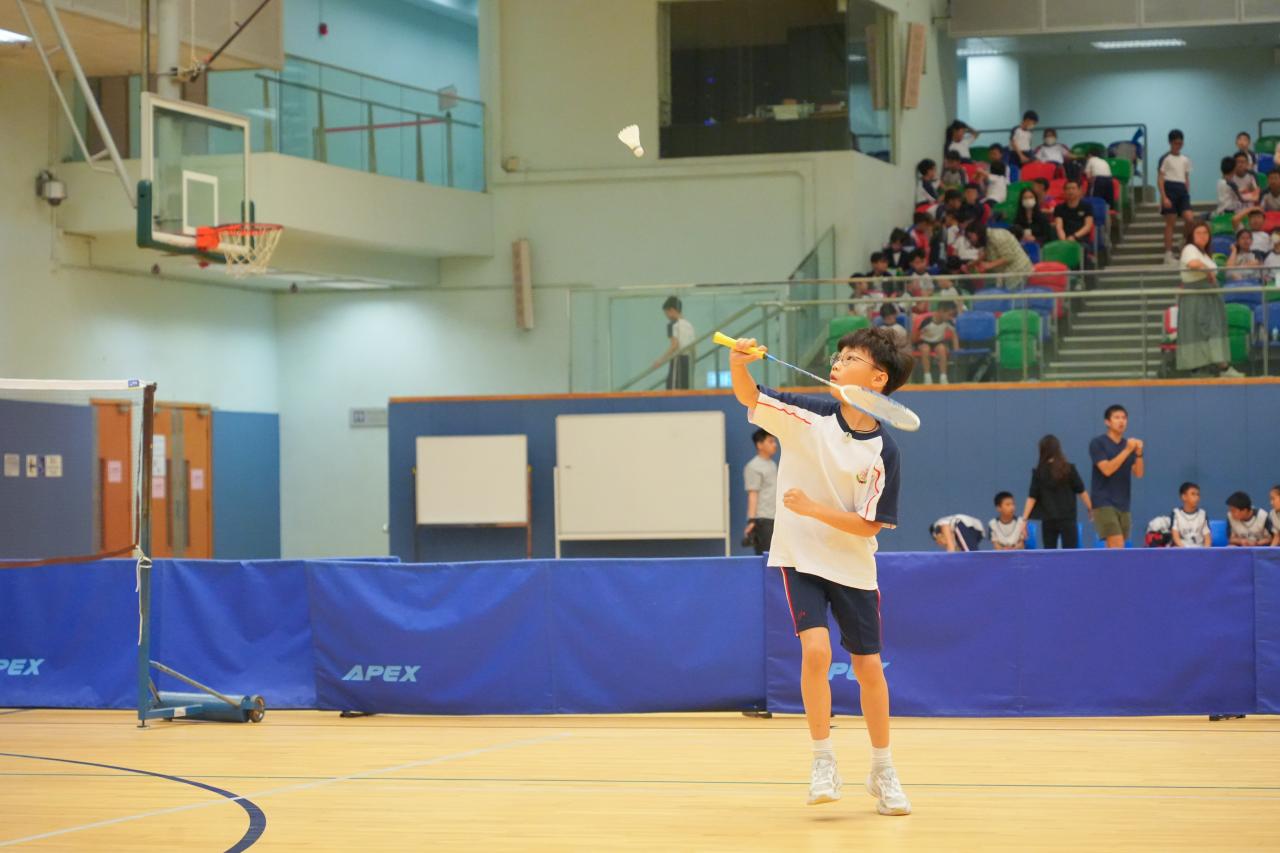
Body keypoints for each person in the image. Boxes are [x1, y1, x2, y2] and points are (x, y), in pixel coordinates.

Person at [725, 326, 914, 814]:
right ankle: (823, 760)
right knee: (815, 652)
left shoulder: (884, 451)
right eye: (838, 355)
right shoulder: (808, 415)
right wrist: (739, 364)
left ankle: (882, 768)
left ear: (878, 377)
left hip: (852, 564)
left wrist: (812, 509)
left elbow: (870, 523)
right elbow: (751, 397)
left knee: (868, 668)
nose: (837, 362)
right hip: (801, 557)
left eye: (850, 358)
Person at [1179, 221, 1241, 377]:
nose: (1203, 236)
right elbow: (1193, 263)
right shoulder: (1189, 248)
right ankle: (1201, 370)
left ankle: (1222, 367)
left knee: (1214, 331)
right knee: (1198, 332)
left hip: (1210, 297)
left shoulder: (1204, 253)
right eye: (1199, 233)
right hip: (1197, 298)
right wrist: (1208, 272)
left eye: (1205, 233)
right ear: (1192, 236)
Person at [1021, 434, 1091, 549]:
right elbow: (1081, 491)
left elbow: (1032, 497)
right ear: (1058, 449)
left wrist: (1024, 519)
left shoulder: (1039, 472)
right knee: (1070, 553)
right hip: (1068, 518)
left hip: (1048, 519)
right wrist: (1090, 508)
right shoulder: (1069, 469)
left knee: (1050, 553)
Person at [1089, 404, 1144, 548]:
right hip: (1104, 501)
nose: (1121, 421)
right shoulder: (1098, 443)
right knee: (1117, 544)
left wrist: (1139, 454)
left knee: (1117, 548)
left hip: (1123, 502)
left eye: (1124, 418)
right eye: (1117, 417)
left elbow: (1138, 473)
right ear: (1107, 422)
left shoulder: (1128, 445)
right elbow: (1107, 470)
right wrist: (1127, 451)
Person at [1158, 129, 1194, 266]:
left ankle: (1182, 240)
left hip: (1182, 191)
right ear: (1170, 143)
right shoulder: (1165, 158)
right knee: (1170, 223)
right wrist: (1164, 197)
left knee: (1190, 219)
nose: (1178, 146)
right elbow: (1160, 178)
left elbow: (1186, 177)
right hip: (1170, 189)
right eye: (1175, 143)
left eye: (1180, 143)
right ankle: (1168, 254)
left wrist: (1187, 193)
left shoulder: (1185, 159)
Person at [966, 221, 1034, 288]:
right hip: (1009, 272)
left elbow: (1009, 256)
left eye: (970, 237)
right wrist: (972, 264)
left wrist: (989, 265)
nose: (970, 241)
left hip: (1018, 269)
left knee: (1011, 293)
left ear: (977, 232)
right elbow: (987, 254)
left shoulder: (997, 236)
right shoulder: (987, 239)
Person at [743, 429, 779, 556]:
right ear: (759, 444)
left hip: (776, 518)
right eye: (770, 441)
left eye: (774, 441)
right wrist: (752, 521)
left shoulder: (772, 464)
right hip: (764, 521)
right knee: (766, 558)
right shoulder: (753, 466)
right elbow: (753, 494)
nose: (775, 444)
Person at [652, 296, 695, 390]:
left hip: (677, 360)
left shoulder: (672, 324)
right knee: (684, 389)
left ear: (671, 310)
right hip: (688, 360)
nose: (667, 316)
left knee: (672, 388)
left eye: (666, 313)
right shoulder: (689, 325)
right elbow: (693, 347)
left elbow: (675, 345)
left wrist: (660, 360)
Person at [914, 301, 957, 385]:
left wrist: (956, 349)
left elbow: (954, 335)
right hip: (924, 341)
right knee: (925, 349)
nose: (951, 317)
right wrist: (915, 345)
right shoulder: (927, 321)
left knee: (942, 349)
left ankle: (943, 377)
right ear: (941, 311)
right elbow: (915, 336)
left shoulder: (949, 322)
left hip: (938, 342)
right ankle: (927, 377)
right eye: (949, 314)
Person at [1053, 180, 1095, 246]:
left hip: (1081, 238)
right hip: (1064, 238)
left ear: (1079, 190)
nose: (1070, 191)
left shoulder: (1087, 207)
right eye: (1068, 189)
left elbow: (1087, 226)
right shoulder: (1059, 208)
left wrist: (1074, 236)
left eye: (1073, 188)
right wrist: (1064, 240)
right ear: (1064, 191)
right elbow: (1059, 227)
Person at [1170, 482, 1211, 548]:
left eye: (1198, 494)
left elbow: (1207, 538)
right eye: (1193, 494)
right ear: (1183, 497)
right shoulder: (1176, 513)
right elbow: (1175, 537)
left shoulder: (1203, 514)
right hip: (1182, 549)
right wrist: (1186, 551)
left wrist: (1205, 551)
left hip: (1200, 549)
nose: (1197, 497)